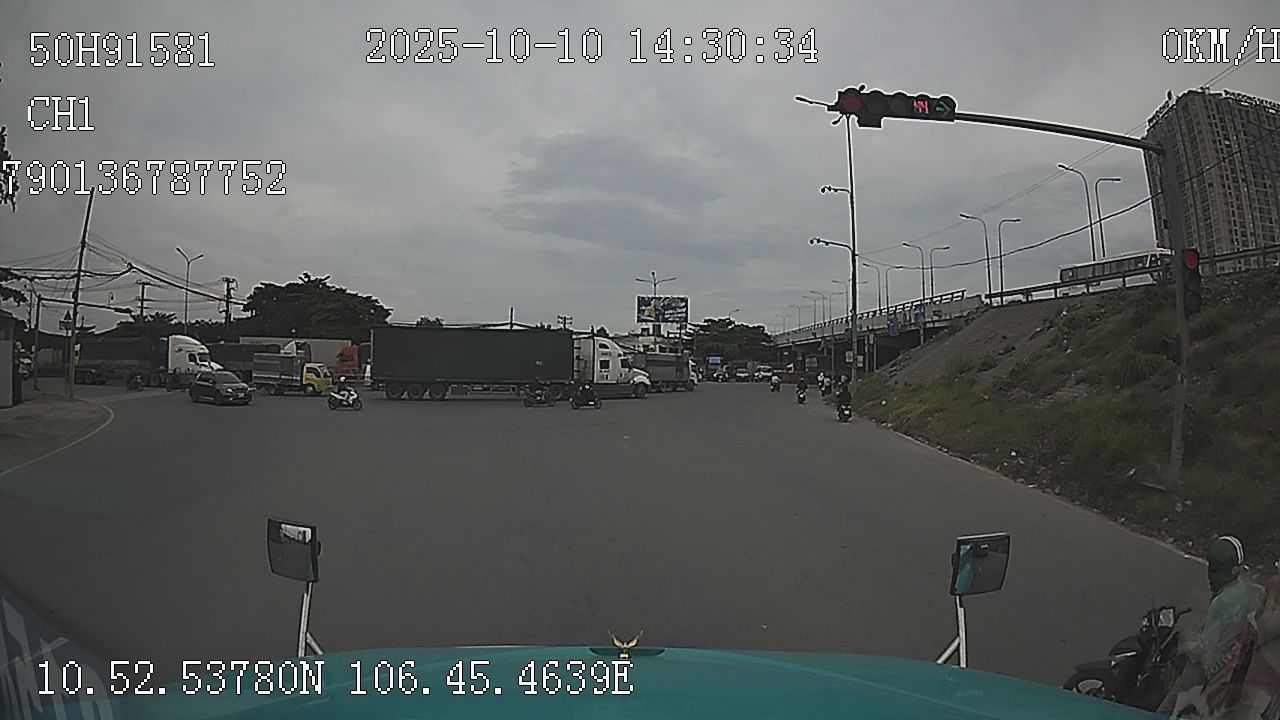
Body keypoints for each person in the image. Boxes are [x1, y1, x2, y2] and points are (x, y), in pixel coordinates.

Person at [1159, 535, 1255, 716]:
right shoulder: (1240, 590)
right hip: (1223, 665)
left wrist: (1184, 645)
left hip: (1201, 669)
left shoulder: (1221, 602)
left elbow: (1204, 647)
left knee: (1167, 708)